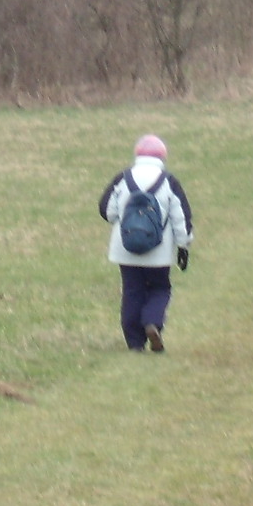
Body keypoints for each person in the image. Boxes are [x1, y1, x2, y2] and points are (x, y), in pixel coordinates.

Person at [99, 133, 195, 353]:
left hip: (125, 249)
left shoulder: (123, 178)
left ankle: (135, 343)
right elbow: (181, 218)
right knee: (160, 288)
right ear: (162, 156)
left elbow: (107, 211)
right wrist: (183, 245)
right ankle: (152, 322)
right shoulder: (168, 181)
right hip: (158, 251)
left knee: (132, 291)